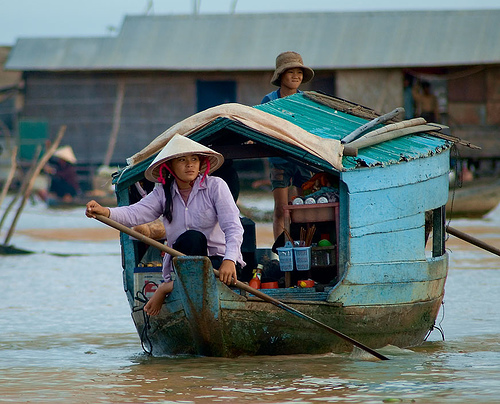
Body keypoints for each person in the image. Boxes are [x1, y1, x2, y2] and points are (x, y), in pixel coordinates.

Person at [85, 134, 245, 316]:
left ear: (201, 163)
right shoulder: (163, 191)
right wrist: (105, 211)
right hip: (183, 269)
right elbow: (134, 213)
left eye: (194, 159)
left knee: (193, 238)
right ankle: (171, 285)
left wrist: (230, 260)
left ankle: (166, 288)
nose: (190, 164)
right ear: (170, 166)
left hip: (219, 266)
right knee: (190, 239)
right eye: (182, 160)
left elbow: (233, 227)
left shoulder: (216, 186)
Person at [261, 51, 315, 239]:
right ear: (280, 75)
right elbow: (262, 126)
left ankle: (305, 245)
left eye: (299, 73)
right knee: (281, 208)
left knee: (304, 206)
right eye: (290, 72)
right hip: (279, 160)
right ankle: (280, 250)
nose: (295, 76)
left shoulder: (306, 100)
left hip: (302, 158)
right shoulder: (269, 101)